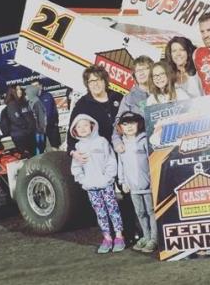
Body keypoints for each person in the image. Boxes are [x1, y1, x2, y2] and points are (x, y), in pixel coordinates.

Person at [67, 65, 138, 244]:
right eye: (91, 81)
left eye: (99, 80)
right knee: (107, 200)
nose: (96, 84)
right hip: (100, 158)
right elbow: (71, 134)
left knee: (129, 191)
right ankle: (112, 235)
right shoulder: (82, 104)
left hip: (121, 152)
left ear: (105, 80)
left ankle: (134, 232)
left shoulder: (117, 97)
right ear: (87, 84)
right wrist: (73, 152)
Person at [70, 114, 125, 254]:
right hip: (91, 187)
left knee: (113, 210)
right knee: (100, 213)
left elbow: (111, 160)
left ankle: (119, 236)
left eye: (85, 125)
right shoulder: (78, 147)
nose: (82, 128)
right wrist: (83, 181)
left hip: (106, 185)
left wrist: (108, 178)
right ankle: (107, 238)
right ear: (74, 130)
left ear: (92, 126)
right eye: (79, 126)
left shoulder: (102, 142)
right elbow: (76, 168)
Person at [116, 111, 157, 253]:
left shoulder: (145, 140)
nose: (129, 127)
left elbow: (152, 160)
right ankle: (146, 236)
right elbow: (120, 164)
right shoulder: (121, 145)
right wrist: (122, 182)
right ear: (120, 127)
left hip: (148, 185)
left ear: (138, 124)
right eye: (125, 124)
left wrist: (153, 179)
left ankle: (154, 238)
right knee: (140, 213)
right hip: (132, 187)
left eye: (132, 123)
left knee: (151, 211)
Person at [112, 55, 154, 154]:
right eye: (138, 70)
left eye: (145, 68)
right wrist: (117, 142)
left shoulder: (162, 92)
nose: (141, 73)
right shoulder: (128, 98)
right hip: (138, 148)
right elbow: (118, 123)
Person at [3, 85, 36, 156]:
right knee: (27, 156)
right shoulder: (12, 104)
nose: (20, 91)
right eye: (17, 90)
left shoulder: (24, 102)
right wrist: (28, 127)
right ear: (12, 92)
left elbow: (30, 116)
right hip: (20, 135)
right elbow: (16, 119)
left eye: (20, 89)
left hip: (29, 133)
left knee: (34, 154)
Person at [31, 80, 61, 150]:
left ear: (40, 86)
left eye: (36, 85)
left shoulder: (48, 96)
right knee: (41, 149)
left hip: (51, 126)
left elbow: (54, 110)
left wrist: (55, 122)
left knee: (55, 147)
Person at [25, 85, 47, 155]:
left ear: (31, 93)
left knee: (39, 147)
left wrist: (41, 128)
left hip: (38, 130)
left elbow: (41, 116)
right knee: (36, 147)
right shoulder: (31, 102)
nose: (26, 95)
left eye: (27, 93)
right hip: (35, 129)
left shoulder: (37, 103)